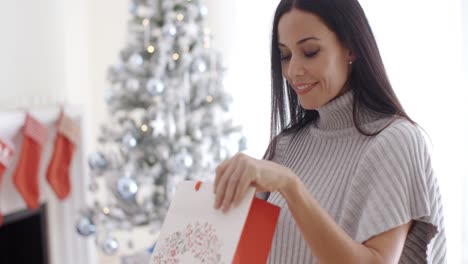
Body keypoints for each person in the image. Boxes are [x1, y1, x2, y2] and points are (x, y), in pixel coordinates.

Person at [213, 0, 447, 263]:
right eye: (285, 55)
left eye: (310, 52)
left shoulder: (395, 141)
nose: (293, 71)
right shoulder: (287, 146)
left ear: (351, 49)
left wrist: (291, 186)